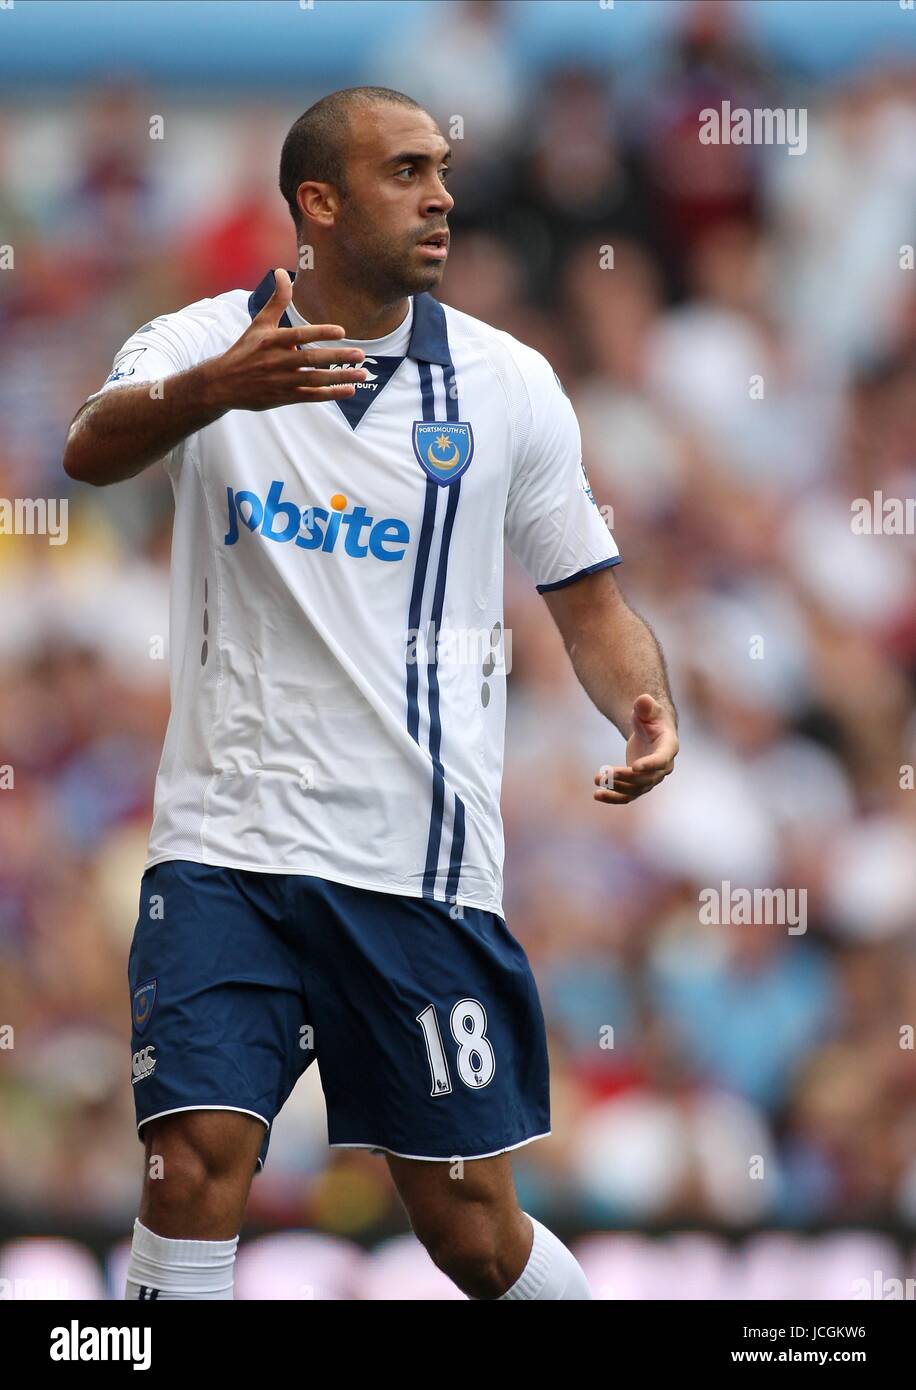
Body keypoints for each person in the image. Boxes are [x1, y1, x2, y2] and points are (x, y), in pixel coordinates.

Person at [63, 87, 679, 1301]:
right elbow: (88, 448)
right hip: (224, 850)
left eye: (442, 168)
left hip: (417, 868)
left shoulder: (506, 386)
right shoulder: (200, 344)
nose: (442, 193)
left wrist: (642, 705)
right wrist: (215, 394)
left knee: (470, 1229)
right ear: (319, 202)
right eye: (406, 170)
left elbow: (590, 601)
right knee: (189, 1166)